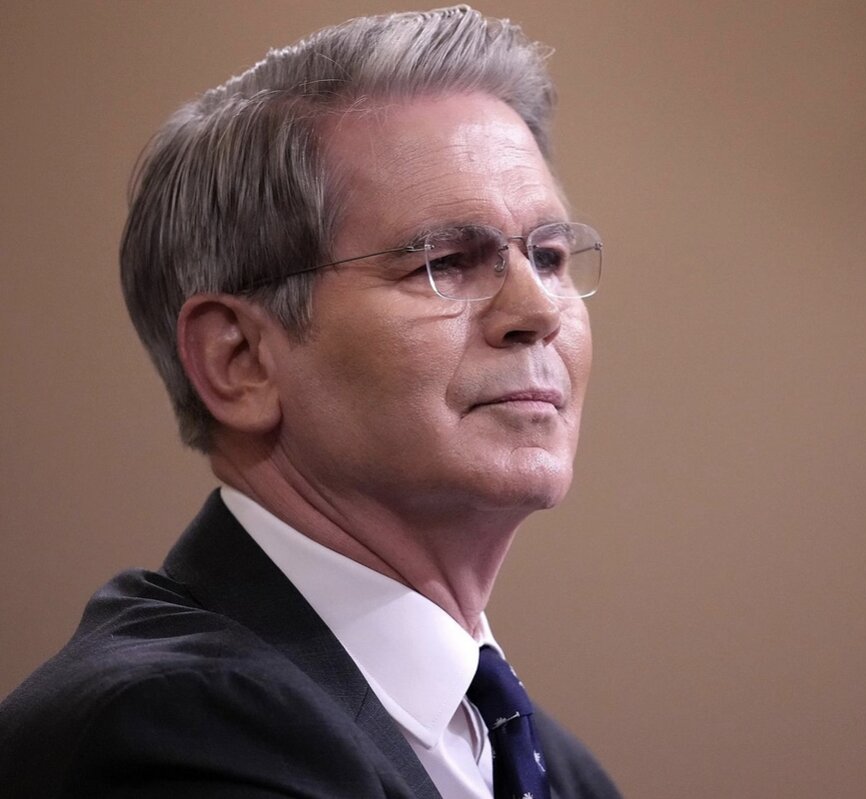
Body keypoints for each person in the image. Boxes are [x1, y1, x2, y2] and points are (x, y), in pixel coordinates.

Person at [0, 6, 619, 798]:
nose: (537, 311)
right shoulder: (174, 734)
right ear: (240, 360)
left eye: (549, 255)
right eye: (445, 261)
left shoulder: (558, 773)